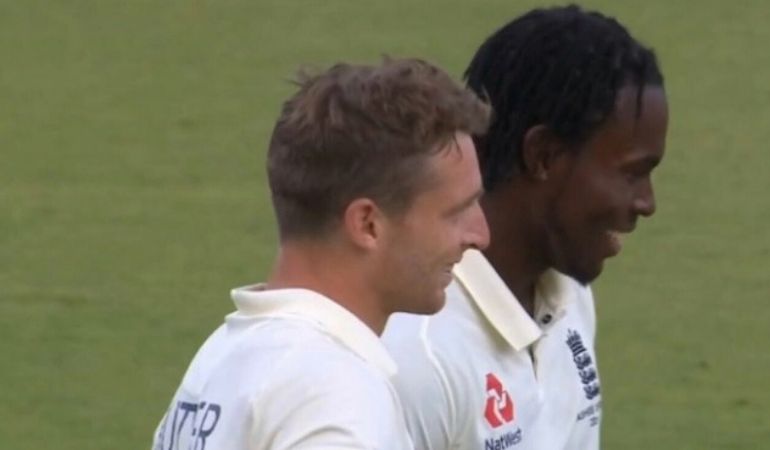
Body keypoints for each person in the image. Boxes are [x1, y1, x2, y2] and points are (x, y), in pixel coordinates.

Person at [152, 57, 491, 450]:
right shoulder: (334, 400)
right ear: (368, 225)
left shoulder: (221, 359)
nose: (480, 235)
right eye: (456, 212)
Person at [382, 6, 669, 450]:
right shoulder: (421, 354)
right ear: (544, 156)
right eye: (632, 173)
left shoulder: (568, 297)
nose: (647, 203)